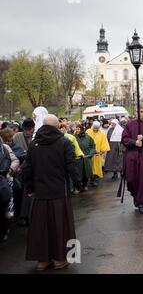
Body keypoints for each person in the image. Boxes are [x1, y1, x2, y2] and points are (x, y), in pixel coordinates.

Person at [23, 114, 82, 271]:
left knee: (41, 228)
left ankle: (42, 261)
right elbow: (71, 166)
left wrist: (29, 188)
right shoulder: (64, 143)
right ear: (58, 126)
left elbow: (27, 169)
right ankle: (60, 258)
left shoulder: (34, 144)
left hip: (40, 193)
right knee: (61, 227)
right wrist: (78, 184)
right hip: (59, 192)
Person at [86, 121, 110, 187]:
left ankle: (95, 179)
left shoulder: (102, 134)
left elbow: (104, 142)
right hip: (90, 153)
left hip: (98, 154)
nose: (95, 130)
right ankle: (91, 179)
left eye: (97, 129)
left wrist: (102, 151)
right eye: (94, 129)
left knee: (97, 168)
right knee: (90, 167)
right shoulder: (88, 132)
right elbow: (85, 141)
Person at [74, 123, 96, 192]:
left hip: (86, 157)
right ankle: (79, 186)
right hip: (78, 158)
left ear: (82, 129)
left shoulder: (88, 137)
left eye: (78, 129)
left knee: (86, 173)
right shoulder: (74, 137)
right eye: (76, 129)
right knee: (78, 173)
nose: (77, 130)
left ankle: (85, 184)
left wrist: (90, 154)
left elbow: (93, 146)